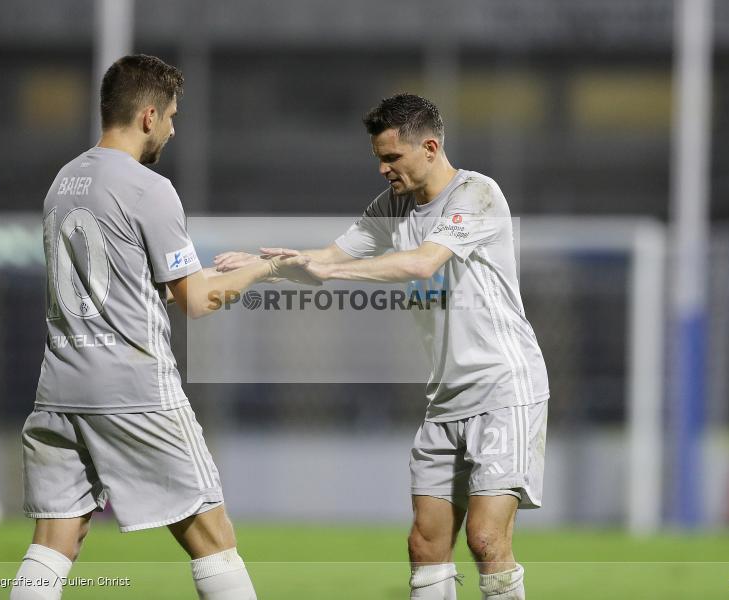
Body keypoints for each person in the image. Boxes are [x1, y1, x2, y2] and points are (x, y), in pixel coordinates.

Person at [215, 93, 549, 600]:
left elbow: (422, 263)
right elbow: (327, 259)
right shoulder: (392, 205)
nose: (382, 168)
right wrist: (263, 269)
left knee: (485, 540)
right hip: (446, 398)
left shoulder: (477, 194)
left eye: (392, 157)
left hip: (505, 389)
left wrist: (330, 269)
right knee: (424, 544)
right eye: (379, 157)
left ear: (430, 147)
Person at [11, 54, 306, 600]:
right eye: (171, 115)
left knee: (55, 541)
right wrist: (269, 268)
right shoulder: (150, 188)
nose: (173, 127)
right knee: (214, 538)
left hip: (61, 388)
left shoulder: (63, 181)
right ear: (149, 115)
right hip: (133, 388)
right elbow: (195, 298)